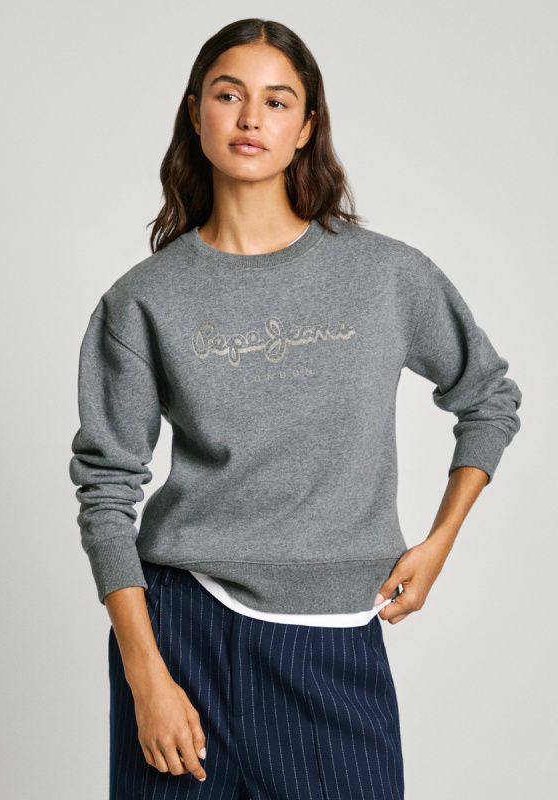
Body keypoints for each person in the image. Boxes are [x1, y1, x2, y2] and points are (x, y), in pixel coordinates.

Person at [69, 18, 523, 800]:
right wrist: (147, 678)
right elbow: (107, 491)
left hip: (334, 641)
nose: (251, 117)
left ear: (306, 127)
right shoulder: (143, 301)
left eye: (277, 101)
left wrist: (441, 541)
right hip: (182, 633)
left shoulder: (384, 276)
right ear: (195, 112)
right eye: (228, 95)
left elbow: (488, 397)